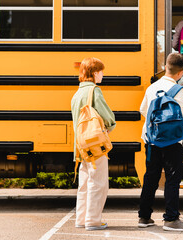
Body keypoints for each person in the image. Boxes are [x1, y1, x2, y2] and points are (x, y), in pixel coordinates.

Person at [138, 53, 183, 232]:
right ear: (180, 73)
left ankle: (144, 216)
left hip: (152, 140)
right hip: (172, 142)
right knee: (172, 179)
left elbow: (143, 110)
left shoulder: (151, 87)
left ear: (166, 67)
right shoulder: (178, 90)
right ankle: (171, 218)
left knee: (151, 178)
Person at [71, 57, 116, 231]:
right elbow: (107, 115)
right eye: (101, 71)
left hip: (81, 146)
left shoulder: (77, 94)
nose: (103, 75)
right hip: (95, 144)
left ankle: (81, 218)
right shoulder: (94, 91)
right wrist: (111, 126)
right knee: (98, 182)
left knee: (84, 183)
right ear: (94, 73)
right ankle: (93, 220)